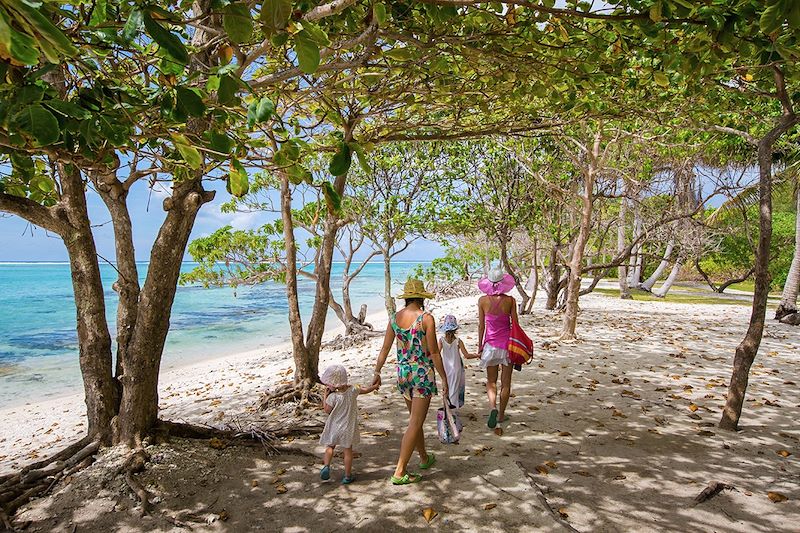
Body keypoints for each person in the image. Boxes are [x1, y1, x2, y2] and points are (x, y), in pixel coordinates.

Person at [372, 279, 448, 485]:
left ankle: (424, 457)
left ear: (406, 298)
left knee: (416, 420)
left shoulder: (394, 318)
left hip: (403, 373)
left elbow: (385, 349)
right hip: (422, 374)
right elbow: (433, 353)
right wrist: (444, 377)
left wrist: (377, 372)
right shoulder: (426, 318)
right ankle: (399, 471)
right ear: (421, 298)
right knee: (415, 422)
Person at [319, 364, 379, 484]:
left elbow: (326, 410)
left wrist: (325, 396)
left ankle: (326, 466)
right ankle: (347, 476)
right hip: (348, 428)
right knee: (348, 451)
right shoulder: (353, 390)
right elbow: (365, 390)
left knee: (330, 447)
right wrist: (375, 386)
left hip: (334, 427)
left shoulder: (333, 397)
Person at [477, 265, 518, 431]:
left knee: (491, 381)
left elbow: (481, 326)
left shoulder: (482, 301)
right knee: (506, 383)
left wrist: (480, 346)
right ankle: (501, 414)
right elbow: (515, 324)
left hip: (490, 345)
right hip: (507, 345)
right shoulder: (510, 301)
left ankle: (493, 407)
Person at [438, 314, 478, 410]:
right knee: (454, 390)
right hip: (456, 368)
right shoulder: (458, 341)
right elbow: (467, 356)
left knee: (446, 388)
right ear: (455, 329)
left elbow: (437, 354)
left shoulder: (441, 341)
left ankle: (447, 408)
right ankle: (453, 411)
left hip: (445, 368)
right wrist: (477, 355)